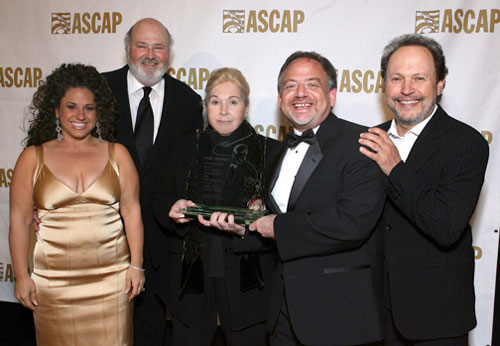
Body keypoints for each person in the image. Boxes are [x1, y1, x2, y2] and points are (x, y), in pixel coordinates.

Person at [358, 34, 489, 345]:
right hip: (374, 315)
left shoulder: (466, 143)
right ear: (384, 85)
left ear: (440, 84)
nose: (407, 89)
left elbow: (445, 226)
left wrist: (395, 168)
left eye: (419, 78)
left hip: (436, 318)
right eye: (397, 78)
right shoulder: (367, 141)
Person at [249, 51, 386, 345]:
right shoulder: (276, 152)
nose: (300, 94)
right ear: (279, 98)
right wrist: (246, 222)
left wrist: (278, 227)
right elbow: (279, 214)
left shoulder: (362, 143)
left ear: (332, 95)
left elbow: (353, 222)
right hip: (283, 314)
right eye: (290, 86)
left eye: (312, 84)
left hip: (337, 315)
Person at [9, 63, 145, 346]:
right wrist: (21, 276)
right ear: (57, 111)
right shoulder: (32, 159)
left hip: (112, 280)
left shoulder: (118, 154)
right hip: (52, 283)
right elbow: (20, 221)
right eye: (71, 107)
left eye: (89, 108)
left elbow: (132, 212)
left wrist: (136, 266)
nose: (80, 116)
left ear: (100, 111)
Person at [153, 67, 281, 346]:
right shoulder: (185, 147)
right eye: (215, 101)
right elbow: (160, 199)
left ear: (246, 107)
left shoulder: (271, 153)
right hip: (191, 275)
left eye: (233, 102)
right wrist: (172, 210)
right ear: (205, 106)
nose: (223, 110)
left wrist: (247, 228)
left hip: (248, 278)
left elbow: (283, 220)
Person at [102, 18, 203, 345]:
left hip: (162, 246)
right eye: (141, 45)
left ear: (169, 53)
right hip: (102, 238)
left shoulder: (188, 102)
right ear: (127, 49)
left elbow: (191, 171)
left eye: (158, 47)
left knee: (150, 331)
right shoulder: (99, 91)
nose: (150, 54)